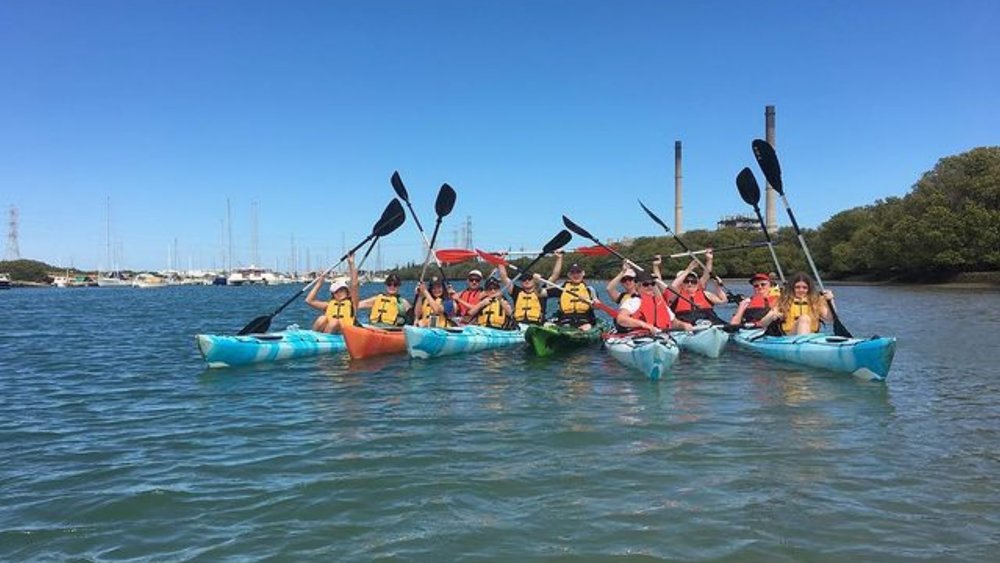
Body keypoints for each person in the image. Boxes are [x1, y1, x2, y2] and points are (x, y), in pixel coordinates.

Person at [616, 270, 695, 334]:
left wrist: (683, 325)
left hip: (661, 337)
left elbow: (674, 322)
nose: (650, 287)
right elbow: (621, 319)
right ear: (637, 286)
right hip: (639, 338)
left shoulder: (660, 303)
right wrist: (645, 325)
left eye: (652, 284)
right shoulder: (633, 302)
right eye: (646, 284)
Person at [758, 272, 834, 335]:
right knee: (804, 318)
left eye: (804, 287)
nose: (801, 290)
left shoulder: (816, 301)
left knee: (804, 318)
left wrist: (830, 301)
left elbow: (830, 318)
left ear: (809, 288)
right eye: (797, 287)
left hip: (812, 336)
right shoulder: (783, 301)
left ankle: (805, 343)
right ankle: (803, 346)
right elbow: (762, 323)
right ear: (792, 288)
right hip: (790, 336)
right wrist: (772, 316)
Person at [667, 250, 727, 324]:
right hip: (686, 320)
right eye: (686, 281)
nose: (690, 284)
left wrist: (709, 259)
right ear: (681, 283)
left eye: (693, 281)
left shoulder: (705, 293)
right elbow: (673, 285)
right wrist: (689, 269)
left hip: (708, 318)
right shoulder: (675, 295)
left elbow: (707, 275)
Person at [497, 257, 560, 325]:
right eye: (524, 279)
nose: (526, 281)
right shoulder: (516, 292)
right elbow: (504, 277)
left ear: (533, 280)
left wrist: (559, 258)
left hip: (536, 325)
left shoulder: (541, 291)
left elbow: (554, 276)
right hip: (519, 325)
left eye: (529, 278)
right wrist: (500, 262)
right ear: (521, 282)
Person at [305, 253, 358, 333]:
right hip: (329, 332)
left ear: (347, 292)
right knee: (322, 318)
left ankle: (322, 340)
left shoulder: (352, 303)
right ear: (333, 294)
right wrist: (319, 283)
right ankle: (313, 338)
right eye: (336, 291)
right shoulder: (328, 305)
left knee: (334, 322)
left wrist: (351, 264)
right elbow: (309, 300)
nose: (339, 293)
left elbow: (354, 284)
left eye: (342, 290)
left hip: (345, 333)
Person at [550, 261, 598, 331]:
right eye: (572, 273)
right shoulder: (561, 288)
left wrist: (588, 301)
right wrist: (536, 282)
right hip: (565, 320)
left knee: (586, 327)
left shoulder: (590, 289)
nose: (576, 275)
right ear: (568, 275)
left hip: (585, 321)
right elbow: (541, 292)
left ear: (583, 273)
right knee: (562, 327)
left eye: (578, 272)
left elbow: (597, 306)